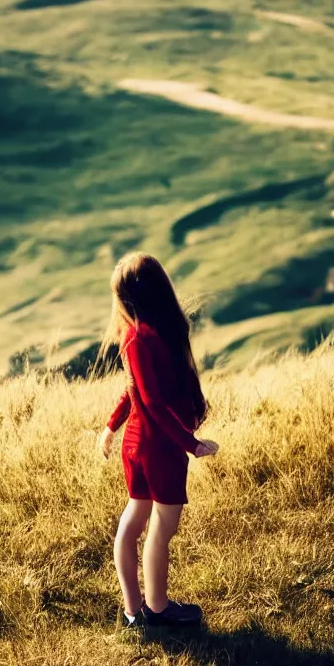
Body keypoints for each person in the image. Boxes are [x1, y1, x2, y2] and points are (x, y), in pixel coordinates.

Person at [98, 252, 219, 629]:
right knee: (161, 528)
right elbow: (149, 399)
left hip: (139, 445)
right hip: (157, 447)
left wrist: (111, 427)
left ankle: (136, 612)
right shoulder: (144, 337)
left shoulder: (139, 336)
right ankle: (156, 609)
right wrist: (190, 443)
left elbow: (133, 391)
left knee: (134, 522)